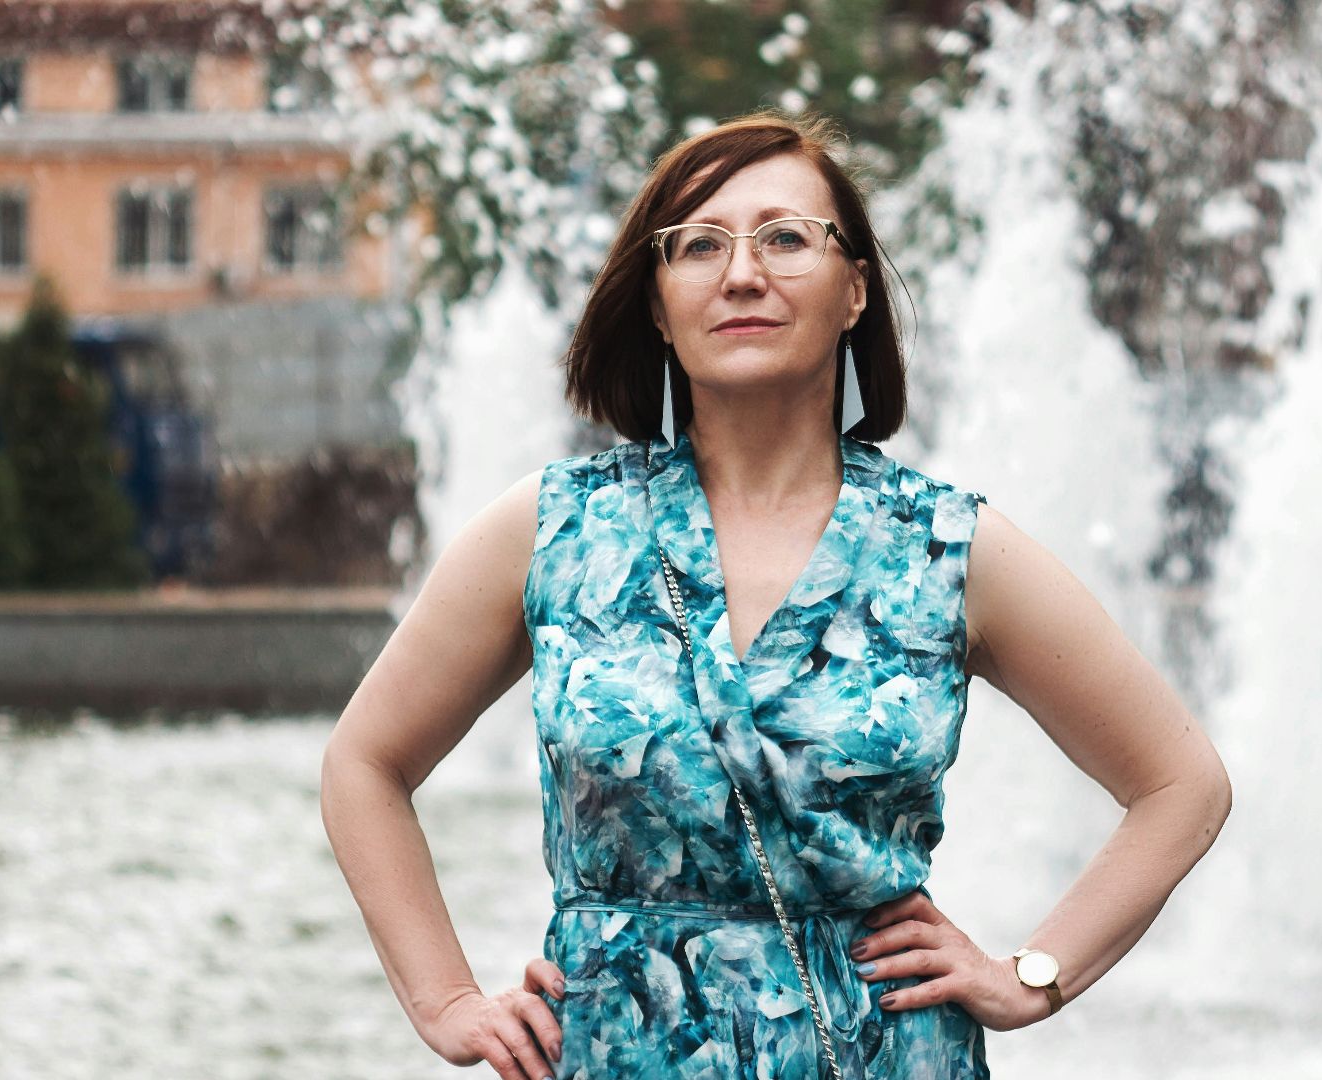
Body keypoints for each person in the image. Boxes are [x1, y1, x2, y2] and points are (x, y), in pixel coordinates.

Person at [320, 112, 1233, 1080]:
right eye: (700, 246)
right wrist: (448, 1000)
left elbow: (1181, 786)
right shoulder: (553, 532)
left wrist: (1030, 976)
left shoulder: (947, 549)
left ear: (854, 290)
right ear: (660, 307)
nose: (742, 273)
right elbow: (364, 764)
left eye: (786, 238)